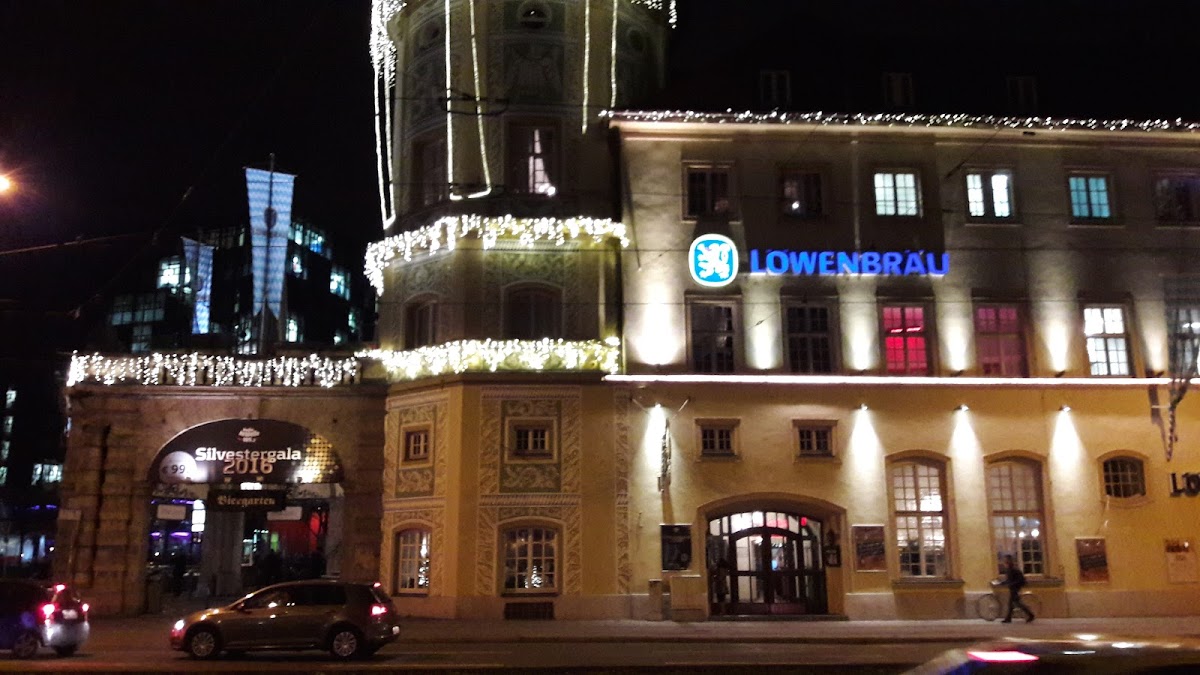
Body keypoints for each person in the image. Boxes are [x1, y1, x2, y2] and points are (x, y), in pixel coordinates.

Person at [1000, 554, 1035, 623]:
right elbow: (1009, 580)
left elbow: (1018, 580)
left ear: (1008, 562)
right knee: (1012, 603)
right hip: (1013, 588)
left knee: (1016, 603)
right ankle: (1008, 618)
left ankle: (1030, 615)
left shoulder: (1012, 570)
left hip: (1015, 588)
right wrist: (1003, 583)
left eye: (1005, 561)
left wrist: (1010, 584)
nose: (1004, 563)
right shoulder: (1010, 569)